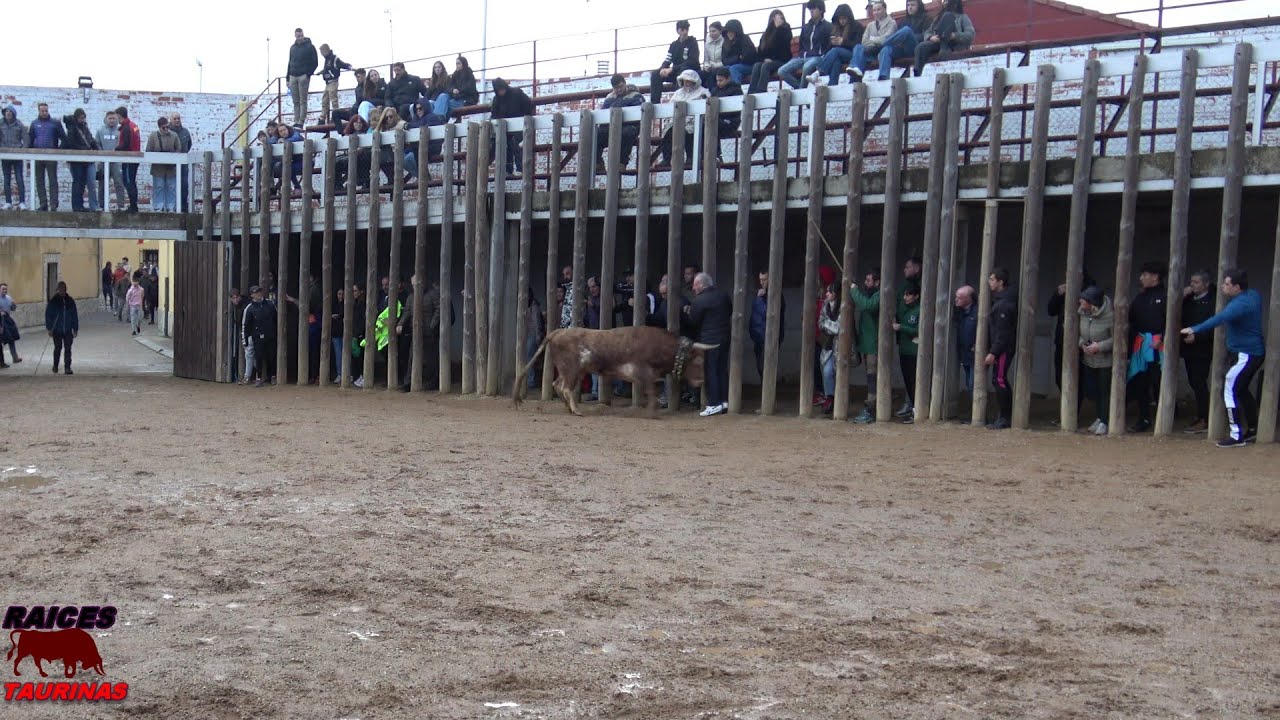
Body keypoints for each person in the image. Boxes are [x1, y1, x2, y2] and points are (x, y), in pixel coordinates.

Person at [1181, 269, 1265, 448]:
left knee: (1229, 388)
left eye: (1226, 284)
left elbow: (1219, 319)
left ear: (1236, 287)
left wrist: (1194, 329)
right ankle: (1252, 428)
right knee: (1241, 390)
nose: (1222, 287)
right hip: (1251, 352)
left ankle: (1236, 436)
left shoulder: (1239, 304)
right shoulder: (1253, 295)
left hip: (1245, 354)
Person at [1126, 261, 1166, 433]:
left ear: (1155, 277)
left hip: (1159, 345)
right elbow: (1131, 320)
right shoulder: (1140, 297)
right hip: (1141, 345)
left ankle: (1164, 418)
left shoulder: (1165, 296)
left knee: (1159, 382)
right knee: (1141, 381)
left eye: (1145, 275)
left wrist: (1162, 338)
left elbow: (1172, 321)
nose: (1141, 278)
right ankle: (1143, 418)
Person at [688, 272, 732, 417]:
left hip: (709, 341)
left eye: (695, 285)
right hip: (725, 338)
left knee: (710, 371)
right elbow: (730, 311)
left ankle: (713, 404)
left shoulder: (699, 301)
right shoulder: (723, 295)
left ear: (701, 284)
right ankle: (724, 401)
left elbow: (693, 321)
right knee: (721, 370)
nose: (693, 288)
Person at [1180, 270, 1215, 434]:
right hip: (1188, 348)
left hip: (1203, 349)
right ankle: (1201, 415)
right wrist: (1181, 295)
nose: (1192, 285)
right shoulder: (1188, 300)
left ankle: (1205, 418)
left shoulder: (1212, 302)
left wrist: (1198, 336)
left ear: (1206, 284)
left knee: (1199, 382)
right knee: (1193, 382)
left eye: (1196, 282)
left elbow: (1214, 326)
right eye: (1191, 282)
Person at [1077, 286, 1114, 436]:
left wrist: (1100, 346)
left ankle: (1105, 420)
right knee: (1093, 391)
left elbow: (1117, 338)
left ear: (1092, 302)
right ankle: (1100, 417)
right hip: (1088, 359)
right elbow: (1077, 333)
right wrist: (1082, 344)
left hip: (1105, 360)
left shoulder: (1110, 315)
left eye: (1083, 300)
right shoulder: (1083, 313)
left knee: (1104, 391)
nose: (1080, 302)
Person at [984, 267, 1017, 429]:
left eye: (992, 279)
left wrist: (993, 352)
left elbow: (1003, 332)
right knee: (998, 379)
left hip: (1003, 349)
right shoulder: (1000, 300)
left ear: (1000, 282)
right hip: (1000, 347)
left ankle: (1005, 417)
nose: (989, 283)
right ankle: (1003, 416)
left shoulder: (1004, 304)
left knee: (1000, 379)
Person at [868, 0, 930, 82]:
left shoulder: (927, 18)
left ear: (919, 6)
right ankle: (883, 77)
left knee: (907, 30)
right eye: (908, 5)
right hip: (902, 49)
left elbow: (925, 36)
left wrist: (910, 35)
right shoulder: (904, 21)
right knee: (886, 49)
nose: (910, 7)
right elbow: (897, 37)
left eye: (912, 5)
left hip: (916, 48)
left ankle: (880, 45)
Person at [594, 75, 644, 171]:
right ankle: (598, 162)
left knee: (627, 133)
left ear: (625, 84)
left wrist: (616, 104)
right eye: (616, 88)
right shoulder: (610, 96)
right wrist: (623, 104)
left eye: (621, 87)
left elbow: (637, 109)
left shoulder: (635, 95)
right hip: (611, 127)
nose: (619, 90)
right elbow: (604, 111)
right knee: (596, 134)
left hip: (630, 126)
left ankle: (622, 163)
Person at [659, 70, 709, 166]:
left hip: (695, 122)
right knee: (668, 134)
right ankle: (666, 159)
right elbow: (670, 107)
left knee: (689, 134)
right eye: (684, 80)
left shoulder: (703, 92)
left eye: (688, 80)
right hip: (676, 121)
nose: (686, 83)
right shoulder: (678, 93)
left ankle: (691, 157)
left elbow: (706, 109)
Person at [913, 0, 975, 76]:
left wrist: (954, 35)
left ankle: (944, 47)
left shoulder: (962, 17)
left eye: (947, 1)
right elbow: (927, 32)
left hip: (954, 44)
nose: (944, 3)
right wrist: (931, 37)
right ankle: (917, 75)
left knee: (947, 15)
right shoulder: (938, 18)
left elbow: (970, 35)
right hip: (938, 42)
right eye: (943, 1)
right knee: (920, 47)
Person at [850, 268, 881, 424]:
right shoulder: (872, 295)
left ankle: (871, 410)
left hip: (874, 346)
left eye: (869, 280)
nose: (866, 283)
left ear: (877, 282)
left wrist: (854, 292)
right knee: (871, 378)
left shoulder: (879, 295)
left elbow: (868, 306)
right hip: (867, 345)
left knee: (872, 379)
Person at [779, 0, 832, 89]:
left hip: (818, 57)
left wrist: (823, 55)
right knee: (781, 71)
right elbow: (801, 44)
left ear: (821, 10)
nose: (811, 11)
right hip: (802, 57)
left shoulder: (828, 26)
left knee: (806, 67)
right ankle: (801, 89)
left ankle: (801, 92)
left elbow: (829, 44)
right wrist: (801, 54)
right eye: (810, 9)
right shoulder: (806, 27)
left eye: (814, 8)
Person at [489, 79, 535, 175]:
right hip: (505, 128)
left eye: (501, 89)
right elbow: (494, 114)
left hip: (520, 125)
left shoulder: (516, 93)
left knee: (515, 143)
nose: (501, 92)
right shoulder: (496, 100)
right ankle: (508, 169)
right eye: (498, 90)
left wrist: (525, 118)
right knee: (504, 144)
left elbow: (528, 104)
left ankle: (520, 168)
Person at [649, 20, 701, 105]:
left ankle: (678, 102)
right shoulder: (674, 45)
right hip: (675, 71)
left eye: (686, 29)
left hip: (690, 72)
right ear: (678, 31)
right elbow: (668, 59)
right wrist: (663, 69)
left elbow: (692, 61)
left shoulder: (693, 42)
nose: (685, 31)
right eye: (682, 29)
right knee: (655, 74)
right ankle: (655, 104)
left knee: (682, 73)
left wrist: (672, 68)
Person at [749, 270, 786, 380]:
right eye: (760, 280)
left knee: (765, 366)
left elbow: (770, 313)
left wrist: (763, 298)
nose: (761, 282)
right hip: (758, 336)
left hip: (770, 336)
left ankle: (768, 393)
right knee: (760, 367)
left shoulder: (777, 295)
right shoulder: (760, 295)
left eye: (764, 279)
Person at [28, 103, 66, 212]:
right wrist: (30, 158)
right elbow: (30, 140)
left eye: (46, 111)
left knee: (53, 180)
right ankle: (43, 204)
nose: (44, 113)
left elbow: (64, 137)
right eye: (42, 111)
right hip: (37, 156)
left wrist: (58, 150)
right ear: (39, 111)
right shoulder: (34, 124)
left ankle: (53, 205)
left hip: (51, 156)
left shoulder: (55, 123)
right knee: (39, 181)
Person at [847, 1, 898, 82]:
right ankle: (855, 70)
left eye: (878, 9)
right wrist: (877, 41)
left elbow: (886, 39)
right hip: (871, 52)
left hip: (884, 52)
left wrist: (872, 39)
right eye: (874, 10)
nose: (876, 12)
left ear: (885, 9)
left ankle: (883, 77)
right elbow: (864, 41)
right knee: (858, 47)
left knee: (886, 48)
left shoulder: (892, 23)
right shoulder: (870, 25)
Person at [61, 109, 100, 212]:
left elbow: (90, 139)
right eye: (81, 118)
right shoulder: (72, 127)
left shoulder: (83, 127)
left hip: (84, 159)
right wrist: (85, 149)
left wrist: (96, 148)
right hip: (76, 159)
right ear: (76, 117)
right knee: (77, 182)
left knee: (81, 182)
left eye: (83, 118)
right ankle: (77, 206)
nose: (82, 120)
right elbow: (71, 142)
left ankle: (80, 205)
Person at [894, 280, 921, 423]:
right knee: (907, 382)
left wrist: (901, 328)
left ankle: (917, 410)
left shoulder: (919, 310)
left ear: (916, 296)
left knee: (914, 382)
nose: (905, 297)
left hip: (915, 352)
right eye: (905, 294)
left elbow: (919, 331)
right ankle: (912, 408)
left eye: (909, 295)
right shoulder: (903, 308)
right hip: (904, 351)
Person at [747, 10, 794, 94]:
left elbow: (782, 47)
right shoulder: (766, 34)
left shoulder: (785, 30)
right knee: (757, 65)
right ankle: (751, 92)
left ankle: (761, 91)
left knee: (766, 66)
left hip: (782, 60)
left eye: (780, 18)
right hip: (768, 61)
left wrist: (778, 28)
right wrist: (764, 59)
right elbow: (761, 52)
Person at [814, 4, 861, 86]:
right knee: (836, 61)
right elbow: (829, 49)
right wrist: (832, 43)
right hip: (839, 56)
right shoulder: (835, 29)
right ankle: (832, 84)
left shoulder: (856, 26)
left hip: (852, 55)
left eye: (844, 18)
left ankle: (819, 71)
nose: (842, 21)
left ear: (849, 18)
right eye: (840, 18)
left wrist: (843, 42)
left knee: (836, 51)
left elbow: (858, 45)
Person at [242, 286, 278, 387]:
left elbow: (276, 318)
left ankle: (273, 376)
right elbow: (246, 325)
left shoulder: (270, 304)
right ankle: (259, 378)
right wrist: (245, 340)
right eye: (256, 292)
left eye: (259, 292)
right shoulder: (249, 308)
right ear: (252, 295)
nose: (258, 294)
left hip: (270, 335)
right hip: (257, 336)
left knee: (271, 356)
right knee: (259, 357)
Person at [146, 118, 182, 211]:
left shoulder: (174, 135)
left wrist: (173, 158)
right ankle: (158, 206)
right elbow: (148, 150)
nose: (166, 129)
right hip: (158, 167)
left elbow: (179, 148)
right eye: (163, 127)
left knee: (172, 187)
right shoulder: (153, 136)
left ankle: (171, 207)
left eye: (167, 127)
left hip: (171, 167)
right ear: (159, 127)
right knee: (159, 186)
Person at [816, 283, 842, 414]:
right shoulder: (825, 306)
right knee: (827, 372)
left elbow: (839, 328)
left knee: (839, 374)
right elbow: (820, 323)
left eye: (829, 292)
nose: (826, 294)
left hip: (840, 346)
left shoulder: (843, 306)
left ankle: (838, 400)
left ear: (835, 294)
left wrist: (828, 325)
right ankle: (829, 397)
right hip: (828, 346)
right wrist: (831, 326)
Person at [95, 111, 127, 211]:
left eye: (114, 118)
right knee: (102, 184)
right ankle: (102, 205)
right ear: (106, 119)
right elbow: (97, 144)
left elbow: (122, 144)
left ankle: (121, 205)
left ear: (116, 119)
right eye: (110, 118)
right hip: (103, 162)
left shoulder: (120, 131)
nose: (112, 120)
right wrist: (102, 154)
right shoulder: (100, 131)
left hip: (116, 162)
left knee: (119, 183)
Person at [45, 281, 78, 375]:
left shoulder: (70, 301)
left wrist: (75, 328)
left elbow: (74, 315)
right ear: (57, 290)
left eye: (64, 289)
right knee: (57, 348)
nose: (62, 291)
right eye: (61, 289)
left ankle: (67, 367)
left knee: (68, 349)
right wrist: (49, 328)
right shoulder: (53, 301)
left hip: (68, 330)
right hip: (57, 330)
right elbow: (48, 315)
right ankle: (55, 365)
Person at [707, 69, 744, 155]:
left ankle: (716, 154)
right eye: (717, 80)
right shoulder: (715, 91)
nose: (718, 83)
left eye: (721, 80)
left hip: (731, 121)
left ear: (728, 79)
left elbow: (735, 109)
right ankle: (712, 154)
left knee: (712, 124)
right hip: (718, 119)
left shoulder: (736, 90)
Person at [287, 28, 319, 126]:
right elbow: (289, 62)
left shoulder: (310, 47)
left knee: (303, 100)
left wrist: (308, 74)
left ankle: (301, 121)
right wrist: (287, 78)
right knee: (295, 101)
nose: (300, 38)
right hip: (292, 75)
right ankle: (296, 121)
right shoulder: (292, 48)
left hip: (303, 76)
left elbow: (315, 62)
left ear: (303, 35)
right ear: (295, 36)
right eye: (298, 36)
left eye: (301, 36)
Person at [319, 44, 354, 126]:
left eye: (322, 52)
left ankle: (335, 116)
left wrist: (349, 66)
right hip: (327, 83)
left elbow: (342, 64)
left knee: (333, 100)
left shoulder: (334, 58)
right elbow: (327, 69)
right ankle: (322, 118)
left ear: (325, 50)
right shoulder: (327, 59)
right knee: (325, 100)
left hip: (333, 81)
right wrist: (322, 72)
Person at [115, 107, 141, 213]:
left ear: (119, 115)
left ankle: (133, 207)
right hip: (134, 158)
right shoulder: (133, 126)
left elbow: (126, 144)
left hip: (129, 159)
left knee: (128, 182)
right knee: (132, 182)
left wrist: (116, 149)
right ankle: (134, 206)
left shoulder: (126, 128)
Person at [0, 105, 26, 210]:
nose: (8, 113)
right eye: (6, 111)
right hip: (5, 155)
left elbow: (25, 137)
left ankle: (22, 202)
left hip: (17, 154)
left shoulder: (19, 124)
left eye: (10, 111)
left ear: (13, 114)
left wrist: (24, 149)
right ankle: (8, 202)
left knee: (19, 178)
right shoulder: (0, 124)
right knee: (6, 179)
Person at [954, 284, 977, 397]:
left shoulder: (978, 312)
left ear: (968, 299)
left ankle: (978, 412)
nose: (956, 300)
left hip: (975, 354)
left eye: (959, 297)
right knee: (969, 383)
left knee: (973, 384)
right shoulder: (959, 311)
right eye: (956, 297)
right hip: (964, 353)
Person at [720, 19, 757, 87]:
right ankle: (718, 92)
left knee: (734, 69)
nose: (729, 33)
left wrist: (734, 59)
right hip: (734, 65)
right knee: (719, 71)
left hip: (749, 66)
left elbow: (748, 57)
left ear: (736, 31)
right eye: (727, 32)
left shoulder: (745, 39)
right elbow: (724, 60)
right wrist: (737, 57)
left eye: (731, 31)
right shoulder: (726, 43)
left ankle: (736, 89)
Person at [169, 114, 193, 212]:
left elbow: (189, 144)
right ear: (171, 120)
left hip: (183, 164)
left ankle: (183, 206)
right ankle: (172, 207)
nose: (177, 120)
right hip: (171, 164)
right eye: (175, 119)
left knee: (184, 185)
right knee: (171, 185)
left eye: (178, 118)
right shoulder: (168, 132)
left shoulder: (185, 132)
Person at [700, 22, 725, 88]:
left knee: (712, 74)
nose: (711, 33)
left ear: (720, 31)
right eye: (710, 31)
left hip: (721, 66)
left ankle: (713, 94)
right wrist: (706, 66)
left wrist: (714, 66)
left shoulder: (725, 41)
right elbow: (706, 59)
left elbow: (726, 60)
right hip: (711, 67)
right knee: (700, 74)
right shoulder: (707, 43)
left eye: (714, 31)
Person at [0, 283, 20, 366]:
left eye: (6, 289)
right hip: (1, 320)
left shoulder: (8, 298)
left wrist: (14, 305)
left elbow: (13, 308)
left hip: (7, 319)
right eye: (3, 289)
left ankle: (15, 358)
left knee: (11, 338)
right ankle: (1, 361)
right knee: (2, 340)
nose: (5, 290)